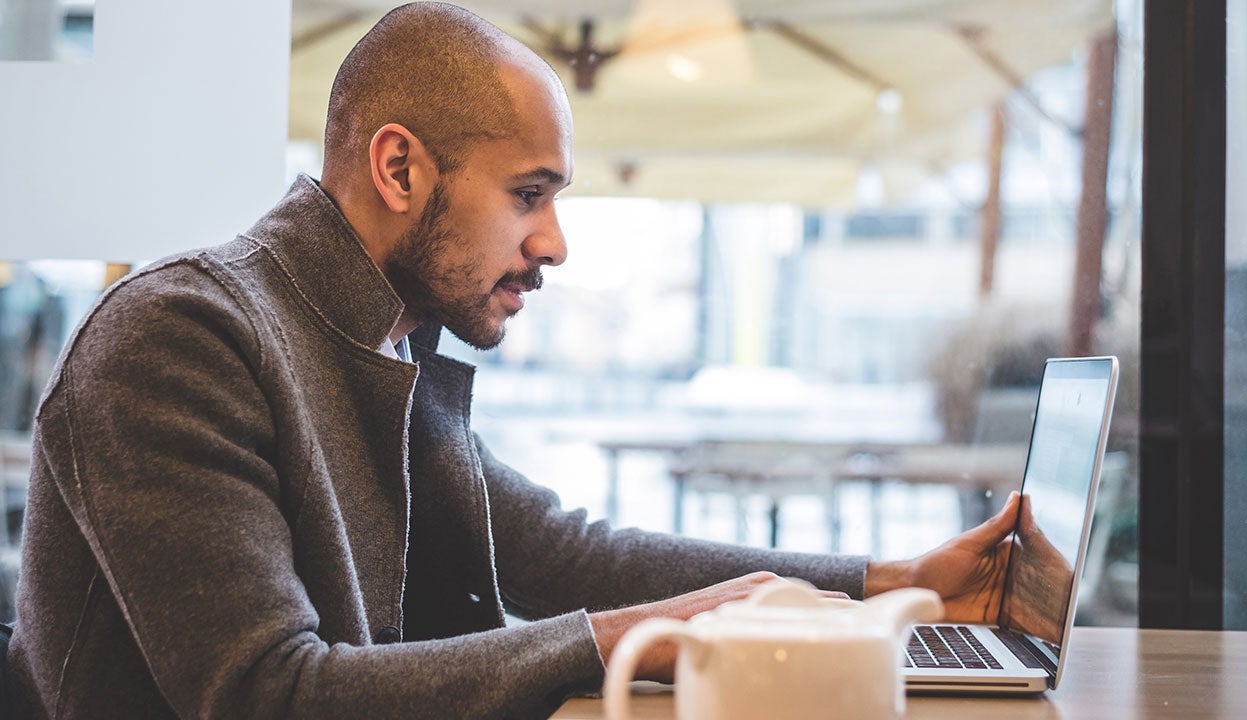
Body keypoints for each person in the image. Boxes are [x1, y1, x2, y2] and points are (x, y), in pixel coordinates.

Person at [5, 3, 1021, 719]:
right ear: (398, 167)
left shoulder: (376, 333)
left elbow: (558, 551)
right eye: (528, 194)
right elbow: (265, 695)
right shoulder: (180, 337)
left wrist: (885, 581)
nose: (554, 245)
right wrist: (621, 636)